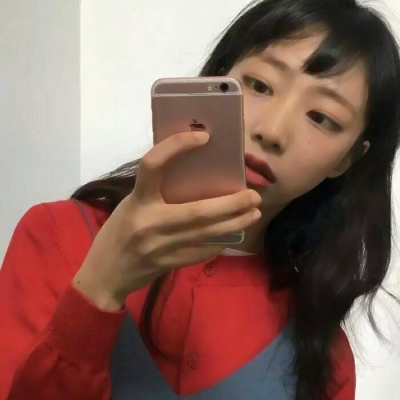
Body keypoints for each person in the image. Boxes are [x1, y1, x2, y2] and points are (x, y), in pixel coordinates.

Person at [1, 0, 400, 399]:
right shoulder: (56, 234)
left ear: (347, 159)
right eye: (259, 85)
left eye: (321, 117)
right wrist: (101, 287)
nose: (272, 131)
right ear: (216, 79)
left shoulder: (322, 354)